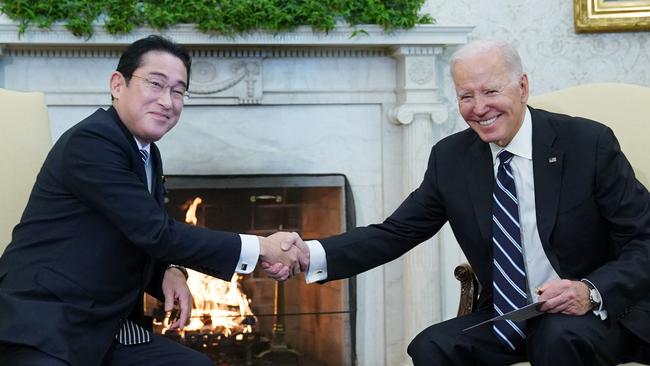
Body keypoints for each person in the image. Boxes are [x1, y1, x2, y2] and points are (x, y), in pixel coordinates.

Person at [269, 40, 650, 365]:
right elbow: (395, 232)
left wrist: (590, 290)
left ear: (522, 87)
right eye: (465, 96)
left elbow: (644, 239)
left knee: (556, 337)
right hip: (511, 315)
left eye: (490, 92)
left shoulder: (587, 143)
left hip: (598, 310)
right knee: (431, 347)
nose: (478, 108)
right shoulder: (451, 158)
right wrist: (309, 254)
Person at [0, 35, 303, 366]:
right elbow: (155, 231)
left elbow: (130, 231)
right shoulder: (92, 142)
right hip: (45, 326)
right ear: (118, 84)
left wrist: (169, 271)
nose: (167, 101)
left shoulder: (146, 152)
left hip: (101, 330)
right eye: (156, 84)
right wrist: (261, 247)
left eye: (178, 91)